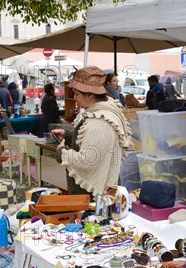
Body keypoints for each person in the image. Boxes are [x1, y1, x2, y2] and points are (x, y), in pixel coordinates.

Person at [51, 66, 132, 197]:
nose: (75, 98)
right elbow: (98, 141)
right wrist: (68, 134)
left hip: (93, 198)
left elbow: (87, 160)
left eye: (77, 94)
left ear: (90, 95)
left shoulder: (99, 121)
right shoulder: (107, 110)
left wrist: (62, 153)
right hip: (105, 191)